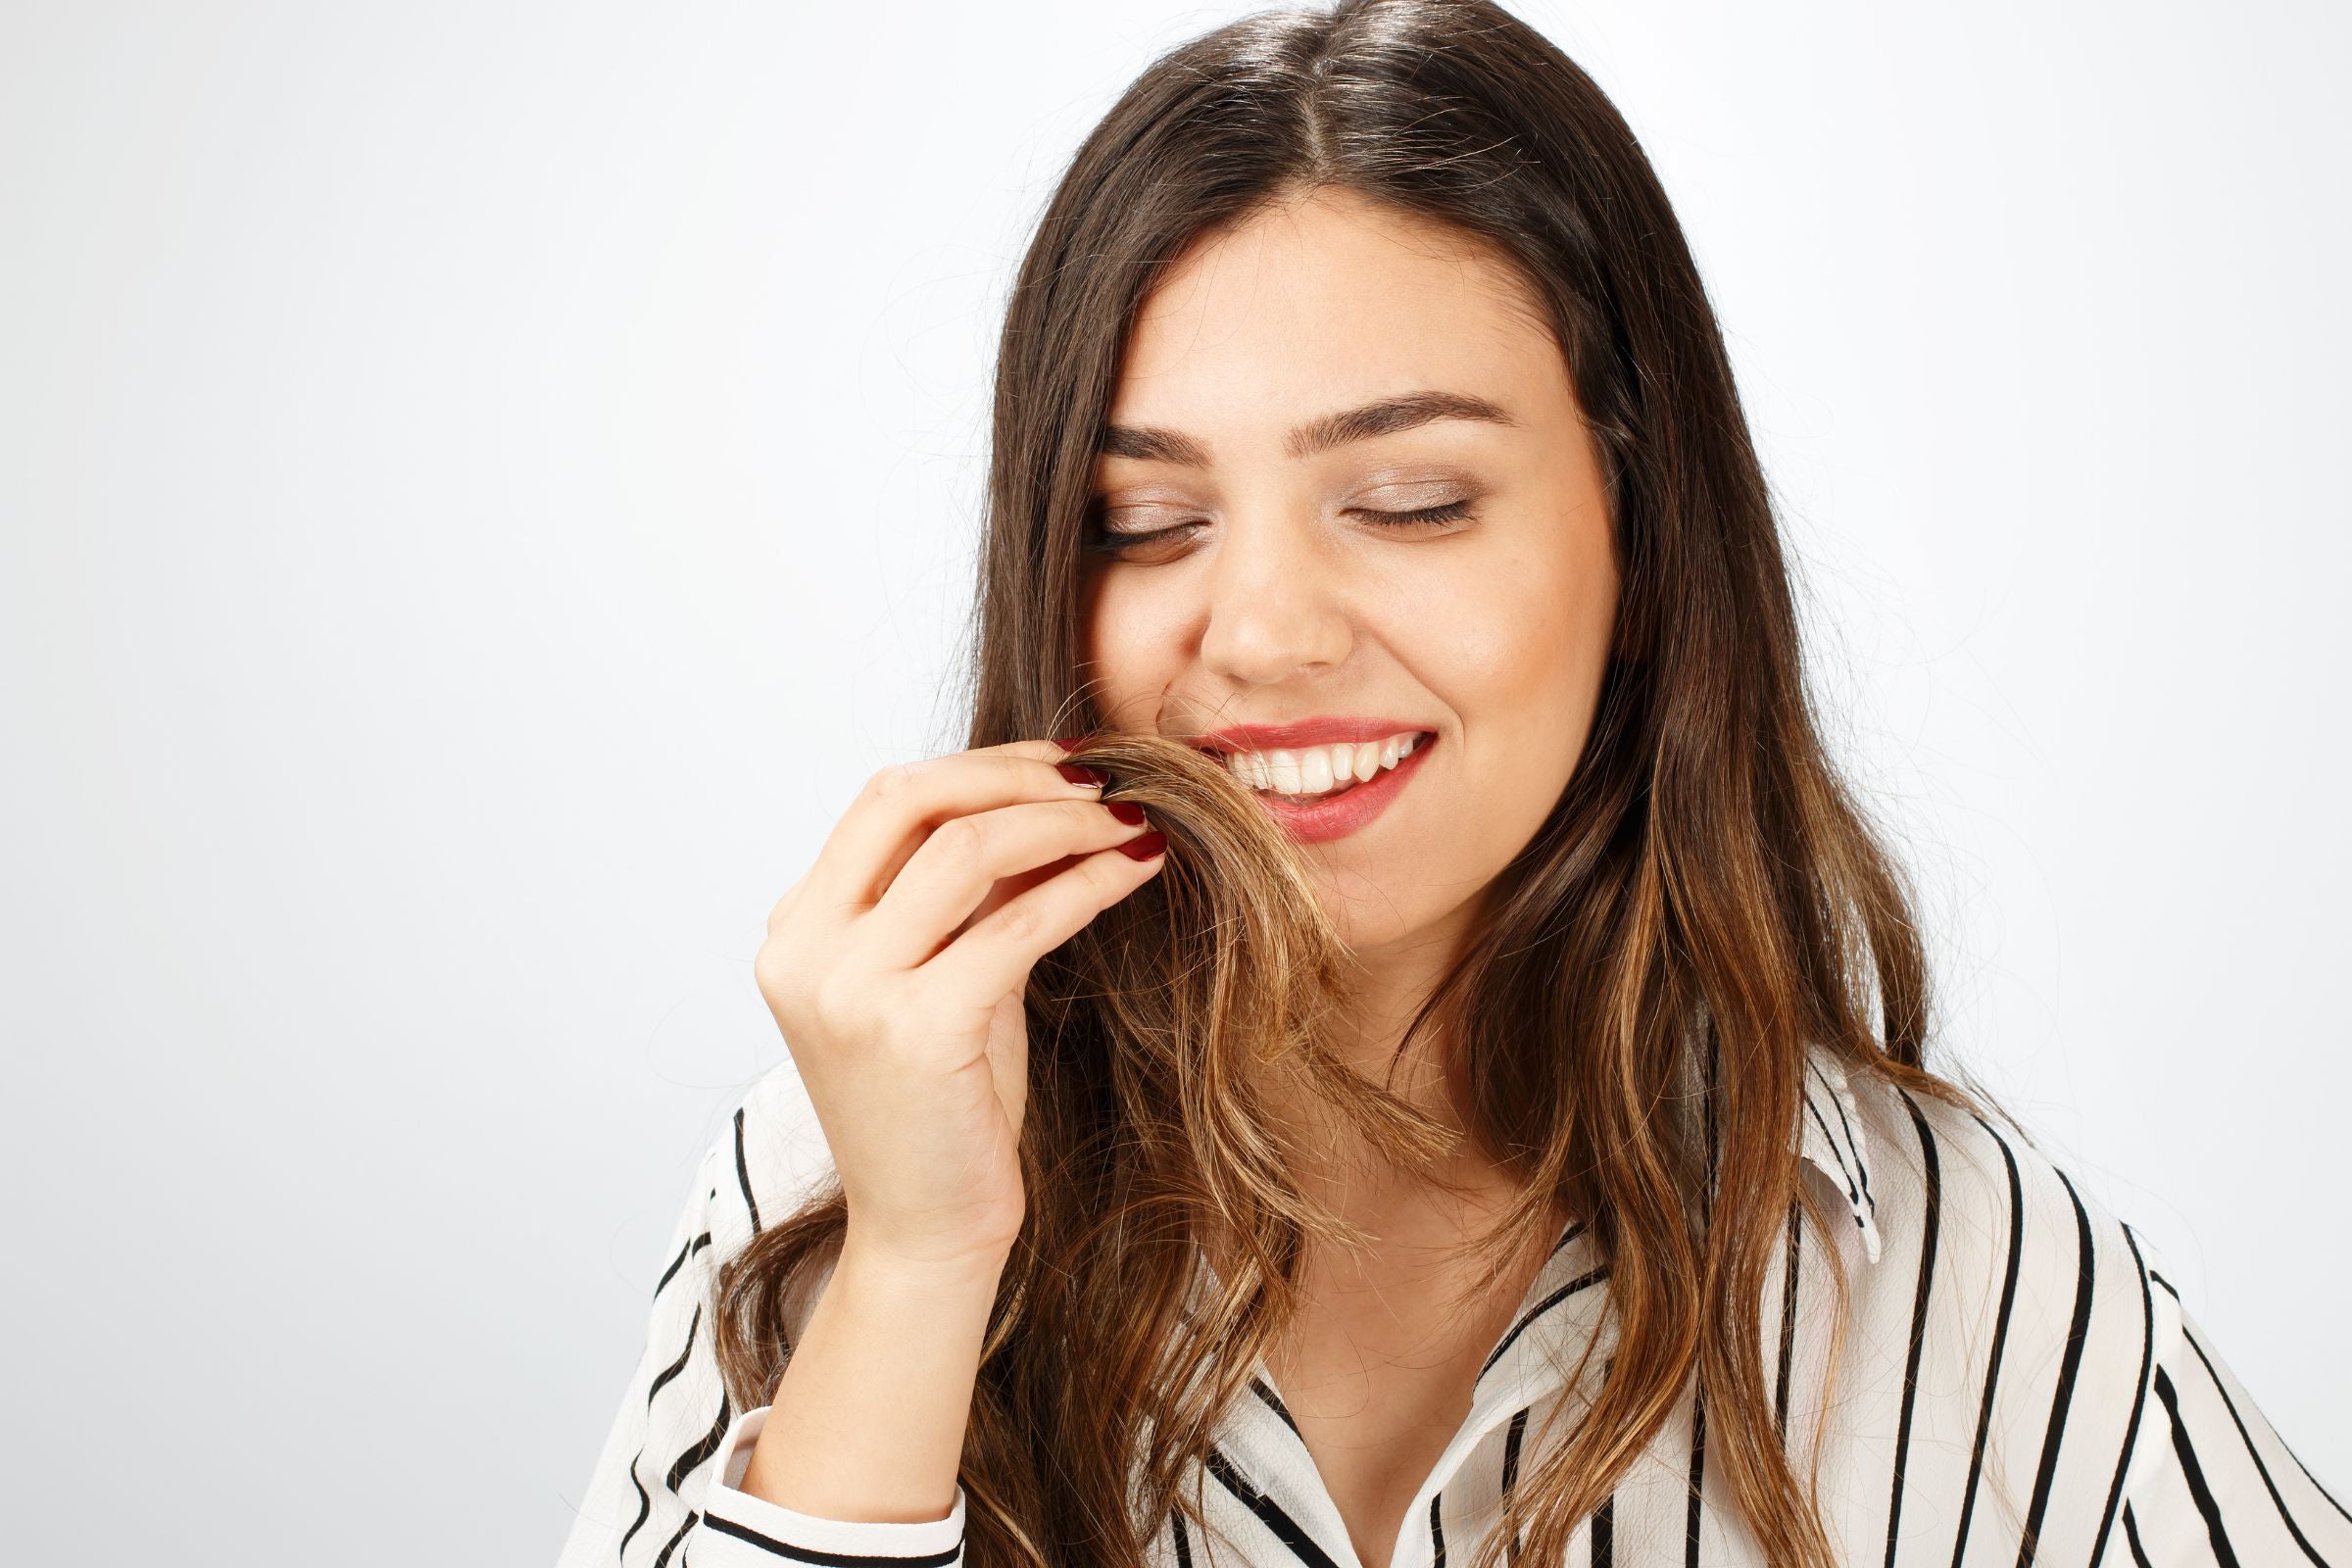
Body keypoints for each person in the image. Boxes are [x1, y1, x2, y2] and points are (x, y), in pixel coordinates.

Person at [556, 2, 2349, 1564]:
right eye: (1146, 522)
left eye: (1411, 503)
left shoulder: (1947, 1254)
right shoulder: (846, 1173)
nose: (1254, 634)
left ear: (1642, 550)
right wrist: (918, 1271)